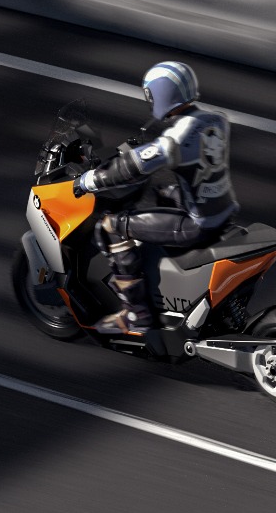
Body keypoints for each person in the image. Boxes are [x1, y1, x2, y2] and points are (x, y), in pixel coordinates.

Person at [74, 60, 237, 336]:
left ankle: (136, 314)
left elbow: (133, 167)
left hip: (198, 223)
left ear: (161, 95)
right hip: (222, 209)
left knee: (110, 226)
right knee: (159, 192)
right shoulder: (216, 119)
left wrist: (88, 180)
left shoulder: (176, 137)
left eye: (151, 95)